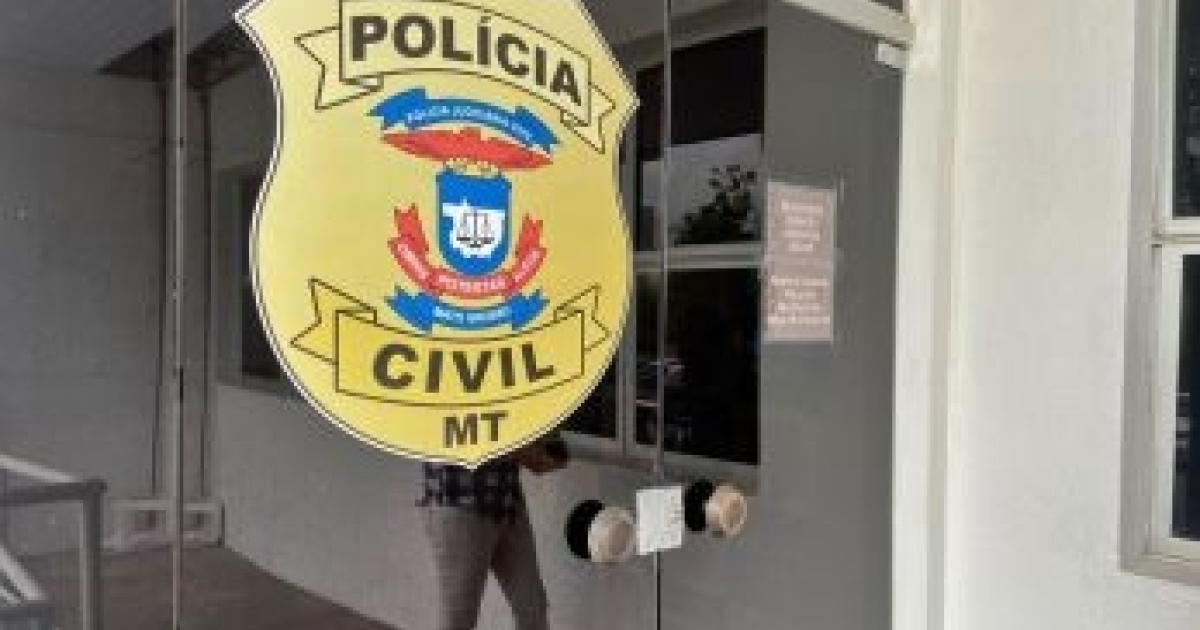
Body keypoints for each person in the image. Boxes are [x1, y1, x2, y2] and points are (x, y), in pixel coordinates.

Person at [418, 437, 569, 630]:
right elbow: (463, 431)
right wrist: (526, 452)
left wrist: (547, 444)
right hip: (460, 501)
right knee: (459, 619)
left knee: (532, 607)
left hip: (507, 499)